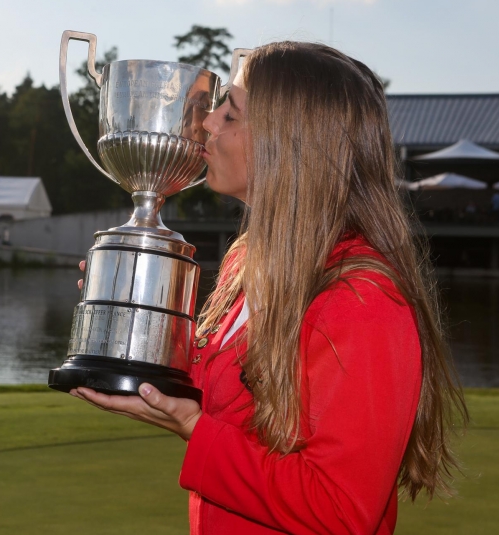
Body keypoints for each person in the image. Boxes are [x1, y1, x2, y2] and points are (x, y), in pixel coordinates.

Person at [71, 41, 467, 535]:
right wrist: (134, 313)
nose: (208, 122)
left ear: (289, 142)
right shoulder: (250, 261)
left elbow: (341, 512)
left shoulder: (363, 300)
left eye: (230, 114)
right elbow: (223, 390)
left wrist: (195, 431)